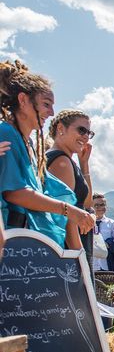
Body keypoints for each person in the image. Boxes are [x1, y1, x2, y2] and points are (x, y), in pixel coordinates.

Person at [0, 60, 93, 248]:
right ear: (23, 100)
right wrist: (69, 210)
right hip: (12, 240)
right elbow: (14, 193)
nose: (51, 112)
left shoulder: (30, 145)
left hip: (27, 242)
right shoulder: (6, 134)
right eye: (46, 104)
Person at [46, 109, 95, 262]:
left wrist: (84, 165)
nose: (86, 136)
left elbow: (87, 203)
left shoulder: (67, 161)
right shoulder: (61, 162)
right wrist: (79, 257)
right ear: (61, 128)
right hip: (69, 248)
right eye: (81, 130)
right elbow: (66, 216)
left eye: (89, 133)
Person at [91, 193, 114, 271]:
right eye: (96, 205)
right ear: (91, 206)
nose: (100, 207)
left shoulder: (112, 223)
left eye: (102, 205)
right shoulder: (87, 223)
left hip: (107, 264)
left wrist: (107, 244)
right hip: (91, 264)